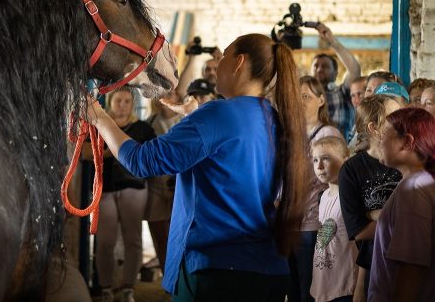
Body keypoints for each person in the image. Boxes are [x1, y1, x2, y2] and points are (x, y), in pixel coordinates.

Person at [86, 33, 309, 301]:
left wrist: (98, 117)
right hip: (269, 270)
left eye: (224, 56)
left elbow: (141, 160)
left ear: (238, 62)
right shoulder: (273, 117)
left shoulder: (218, 114)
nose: (219, 64)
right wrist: (195, 118)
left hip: (216, 272)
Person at [369, 108, 435, 301]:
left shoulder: (414, 191)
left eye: (384, 135)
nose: (379, 141)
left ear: (407, 142)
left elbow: (411, 269)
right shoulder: (423, 181)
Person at [82, 87, 156, 302]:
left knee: (133, 239)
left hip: (133, 187)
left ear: (132, 105)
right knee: (105, 241)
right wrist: (105, 152)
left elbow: (150, 157)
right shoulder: (98, 127)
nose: (122, 106)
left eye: (126, 101)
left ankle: (128, 288)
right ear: (110, 102)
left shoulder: (143, 128)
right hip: (105, 188)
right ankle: (105, 287)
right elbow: (83, 152)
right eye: (118, 101)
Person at [337, 95, 402, 301]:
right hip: (373, 263)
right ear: (374, 128)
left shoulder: (407, 159)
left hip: (410, 259)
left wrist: (377, 215)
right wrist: (396, 220)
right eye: (395, 116)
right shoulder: (351, 169)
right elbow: (358, 232)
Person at [288, 76, 344, 302]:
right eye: (296, 96)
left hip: (312, 222)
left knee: (307, 288)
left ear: (321, 100)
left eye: (306, 96)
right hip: (288, 222)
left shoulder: (328, 134)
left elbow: (331, 177)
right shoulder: (291, 132)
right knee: (291, 288)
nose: (300, 101)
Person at [310, 136, 357, 302]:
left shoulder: (350, 197)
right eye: (315, 160)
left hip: (344, 288)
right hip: (323, 284)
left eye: (326, 158)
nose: (319, 166)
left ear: (345, 161)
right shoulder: (323, 197)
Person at [144, 90, 182, 278]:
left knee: (178, 235)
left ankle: (179, 278)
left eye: (173, 93)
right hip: (156, 186)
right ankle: (166, 277)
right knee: (160, 236)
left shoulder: (185, 121)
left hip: (179, 187)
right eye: (164, 93)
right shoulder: (149, 123)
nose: (169, 96)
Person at [310, 23, 361, 140]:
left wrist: (332, 42)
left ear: (336, 73)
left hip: (341, 156)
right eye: (316, 66)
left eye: (325, 66)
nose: (319, 69)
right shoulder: (302, 97)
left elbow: (355, 70)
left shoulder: (342, 93)